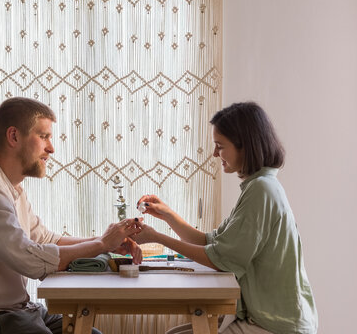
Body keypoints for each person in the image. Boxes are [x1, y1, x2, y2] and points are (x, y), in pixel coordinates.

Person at [0, 97, 142, 334]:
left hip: (13, 312)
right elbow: (30, 260)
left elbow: (47, 240)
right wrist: (100, 244)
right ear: (14, 136)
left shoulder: (9, 187)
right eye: (44, 136)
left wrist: (107, 243)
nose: (51, 148)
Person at [134, 102, 318, 334]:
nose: (214, 154)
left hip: (276, 324)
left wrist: (157, 238)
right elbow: (211, 243)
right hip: (271, 318)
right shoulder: (259, 186)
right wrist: (167, 215)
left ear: (245, 146)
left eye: (220, 146)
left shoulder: (261, 190)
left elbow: (220, 259)